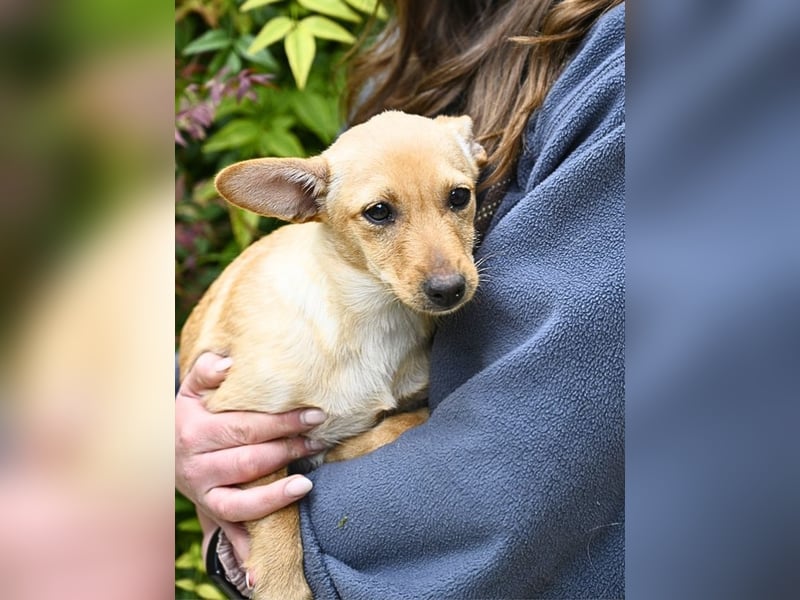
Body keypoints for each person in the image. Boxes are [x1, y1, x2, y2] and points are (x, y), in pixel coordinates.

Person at [176, 0, 625, 597]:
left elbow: (516, 463)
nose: (443, 272)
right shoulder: (407, 59)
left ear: (475, 164)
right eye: (381, 214)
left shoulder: (618, 68)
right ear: (302, 200)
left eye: (457, 199)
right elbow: (226, 432)